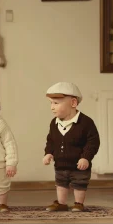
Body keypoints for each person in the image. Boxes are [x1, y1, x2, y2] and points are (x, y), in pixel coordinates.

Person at [43, 82, 100, 212]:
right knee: (61, 183)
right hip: (60, 164)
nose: (52, 107)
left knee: (79, 183)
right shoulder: (54, 123)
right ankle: (62, 203)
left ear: (73, 103)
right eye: (51, 103)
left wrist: (86, 157)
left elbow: (93, 142)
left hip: (79, 164)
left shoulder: (86, 122)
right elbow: (51, 140)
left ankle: (78, 203)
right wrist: (48, 153)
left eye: (56, 103)